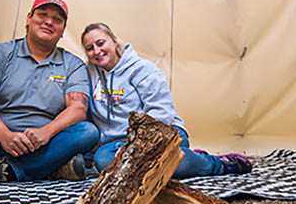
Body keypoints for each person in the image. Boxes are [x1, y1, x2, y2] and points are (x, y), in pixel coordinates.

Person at [0, 0, 99, 184]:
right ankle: (49, 169)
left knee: (88, 132)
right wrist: (5, 135)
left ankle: (3, 172)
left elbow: (78, 108)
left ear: (63, 31)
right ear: (29, 19)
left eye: (57, 20)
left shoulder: (73, 64)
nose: (48, 22)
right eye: (42, 14)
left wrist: (46, 133)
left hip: (48, 140)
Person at [81, 22, 252, 178]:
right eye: (89, 48)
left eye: (101, 43)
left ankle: (217, 164)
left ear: (115, 41)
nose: (96, 51)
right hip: (118, 146)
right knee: (103, 159)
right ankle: (185, 157)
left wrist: (140, 147)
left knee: (154, 165)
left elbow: (162, 113)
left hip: (162, 134)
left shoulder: (143, 70)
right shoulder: (89, 75)